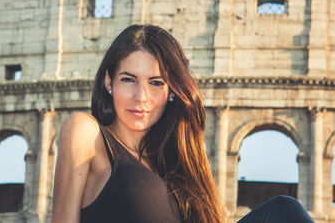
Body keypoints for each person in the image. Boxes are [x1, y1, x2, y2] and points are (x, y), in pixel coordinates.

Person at [52, 25, 314, 223]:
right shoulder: (85, 131)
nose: (140, 97)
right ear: (109, 82)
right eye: (128, 79)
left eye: (156, 83)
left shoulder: (176, 164)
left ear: (172, 92)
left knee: (284, 210)